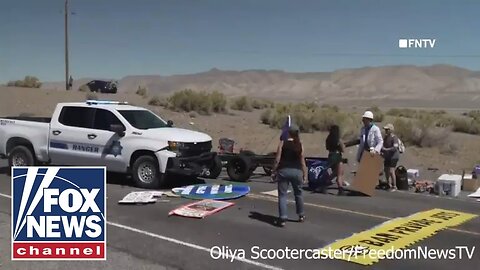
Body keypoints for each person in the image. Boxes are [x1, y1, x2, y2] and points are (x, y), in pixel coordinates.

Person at [271, 124, 307, 227]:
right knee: (298, 194)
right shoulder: (300, 144)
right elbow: (302, 160)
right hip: (297, 171)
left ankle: (283, 218)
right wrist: (305, 174)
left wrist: (273, 171)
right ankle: (301, 215)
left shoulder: (282, 143)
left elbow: (277, 159)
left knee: (282, 195)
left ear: (289, 133)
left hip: (284, 171)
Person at [325, 125, 345, 195]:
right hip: (337, 156)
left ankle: (324, 185)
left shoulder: (328, 139)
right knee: (339, 174)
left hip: (330, 155)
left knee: (334, 172)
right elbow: (343, 149)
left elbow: (327, 148)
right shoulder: (338, 139)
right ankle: (340, 189)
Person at [381, 123, 400, 191]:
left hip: (394, 156)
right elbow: (383, 145)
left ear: (390, 130)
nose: (386, 131)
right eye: (385, 129)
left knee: (391, 171)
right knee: (386, 170)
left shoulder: (394, 137)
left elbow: (395, 148)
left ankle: (394, 186)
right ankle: (388, 184)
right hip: (387, 156)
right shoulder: (385, 137)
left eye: (387, 129)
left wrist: (386, 150)